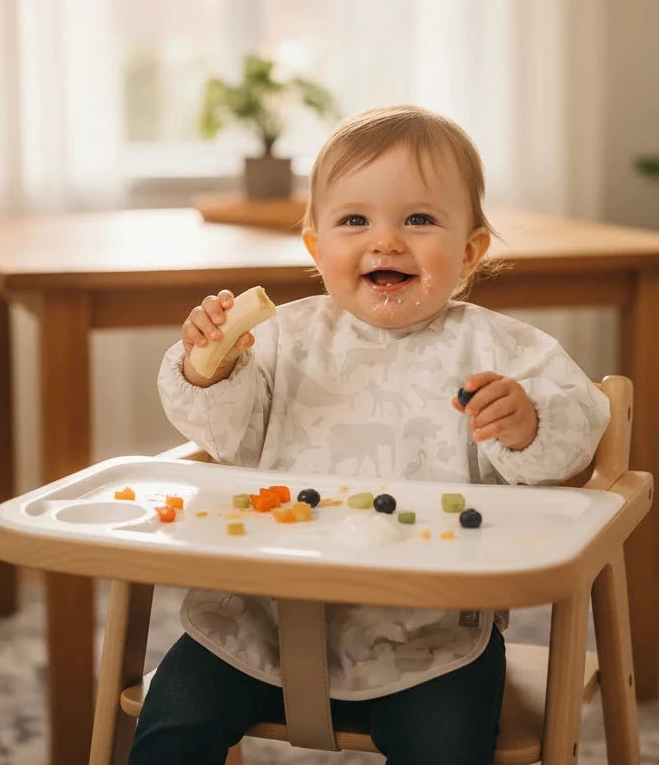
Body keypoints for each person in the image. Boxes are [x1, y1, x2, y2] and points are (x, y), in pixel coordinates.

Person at [129, 105, 610, 765]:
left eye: (419, 219)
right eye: (354, 220)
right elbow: (219, 431)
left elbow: (573, 443)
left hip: (430, 638)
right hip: (256, 622)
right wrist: (208, 366)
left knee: (448, 745)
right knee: (170, 728)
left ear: (470, 252)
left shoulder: (504, 351)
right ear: (316, 248)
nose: (385, 241)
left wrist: (525, 426)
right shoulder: (277, 341)